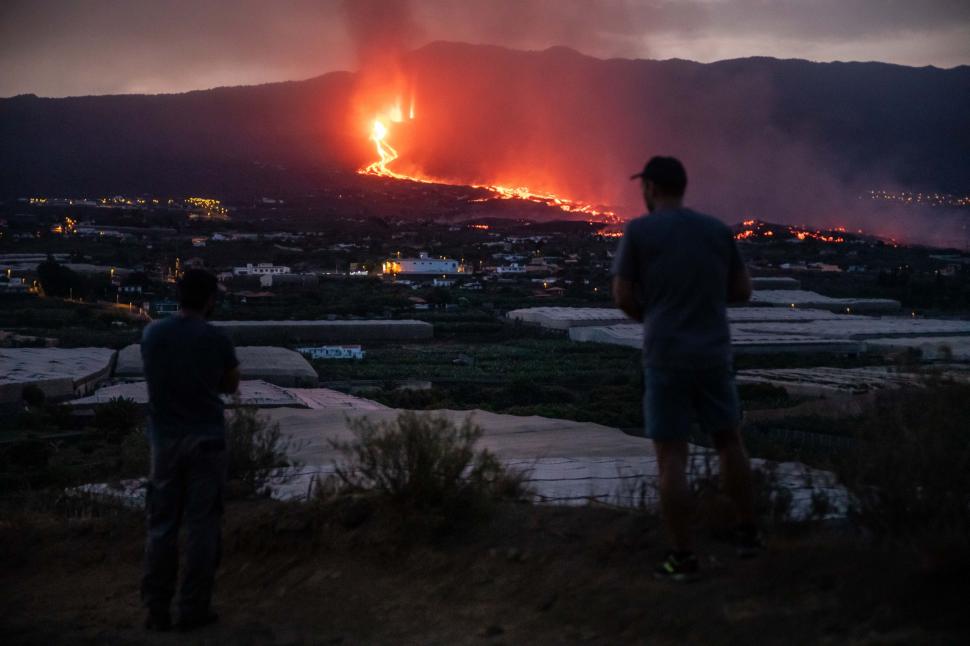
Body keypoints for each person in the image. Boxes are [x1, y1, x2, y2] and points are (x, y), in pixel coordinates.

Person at [612, 156, 762, 582]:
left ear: (652, 189)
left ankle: (682, 555)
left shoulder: (640, 231)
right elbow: (743, 290)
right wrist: (703, 306)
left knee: (671, 456)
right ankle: (748, 534)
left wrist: (656, 317)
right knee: (729, 442)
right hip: (714, 352)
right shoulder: (716, 230)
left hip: (666, 355)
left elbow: (622, 294)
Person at [140, 268, 240, 630]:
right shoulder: (216, 339)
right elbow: (230, 385)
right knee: (202, 527)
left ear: (178, 295)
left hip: (164, 442)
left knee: (162, 525)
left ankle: (156, 609)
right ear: (211, 299)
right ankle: (193, 608)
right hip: (207, 440)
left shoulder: (153, 334)